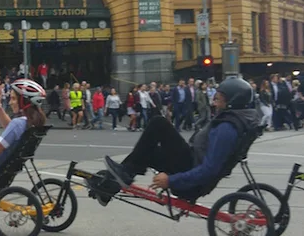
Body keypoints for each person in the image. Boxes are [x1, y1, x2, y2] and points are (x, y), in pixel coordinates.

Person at [101, 78, 261, 201]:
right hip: (191, 162)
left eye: (218, 99)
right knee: (148, 153)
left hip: (191, 181)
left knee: (159, 123)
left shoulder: (227, 128)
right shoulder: (237, 119)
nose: (214, 102)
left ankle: (121, 175)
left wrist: (171, 180)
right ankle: (113, 183)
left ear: (232, 102)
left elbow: (210, 169)